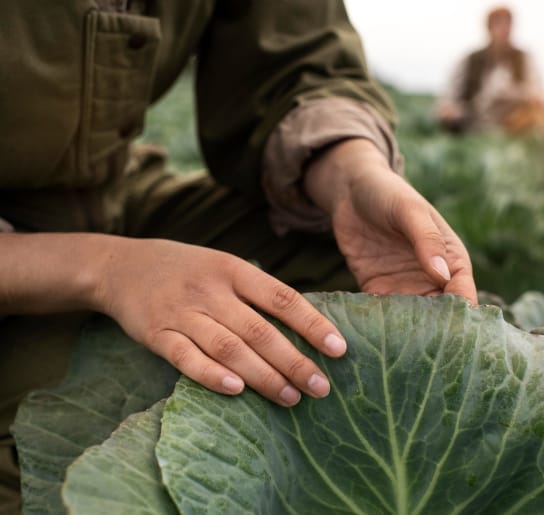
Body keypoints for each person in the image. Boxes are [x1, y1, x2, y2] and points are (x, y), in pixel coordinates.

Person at [0, 1, 477, 510]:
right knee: (40, 477)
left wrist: (353, 175)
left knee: (362, 277)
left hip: (110, 196)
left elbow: (294, 62)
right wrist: (106, 271)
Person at [436, 6, 544, 134]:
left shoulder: (524, 59)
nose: (505, 29)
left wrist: (517, 93)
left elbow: (540, 96)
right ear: (489, 27)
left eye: (508, 23)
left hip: (513, 126)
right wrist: (450, 109)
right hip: (473, 123)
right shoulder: (470, 60)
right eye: (499, 23)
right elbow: (448, 98)